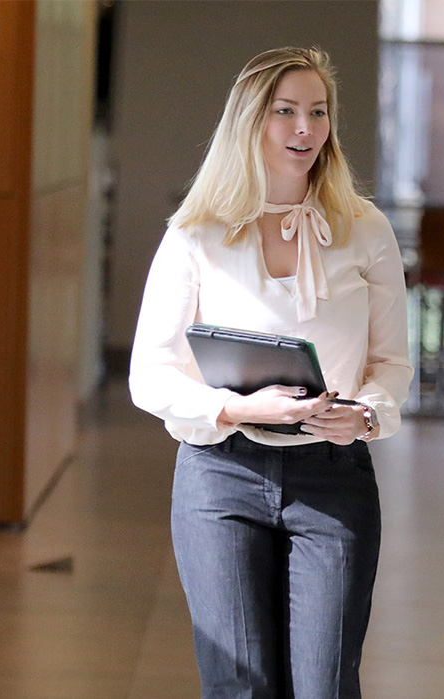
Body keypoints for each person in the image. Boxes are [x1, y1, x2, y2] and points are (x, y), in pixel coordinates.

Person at [128, 47, 410, 699]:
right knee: (238, 684)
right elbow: (150, 374)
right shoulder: (195, 233)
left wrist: (365, 413)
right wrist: (238, 409)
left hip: (332, 474)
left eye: (317, 112)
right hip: (219, 473)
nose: (304, 129)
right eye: (285, 112)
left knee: (324, 685)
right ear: (249, 122)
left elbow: (391, 365)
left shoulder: (365, 229)